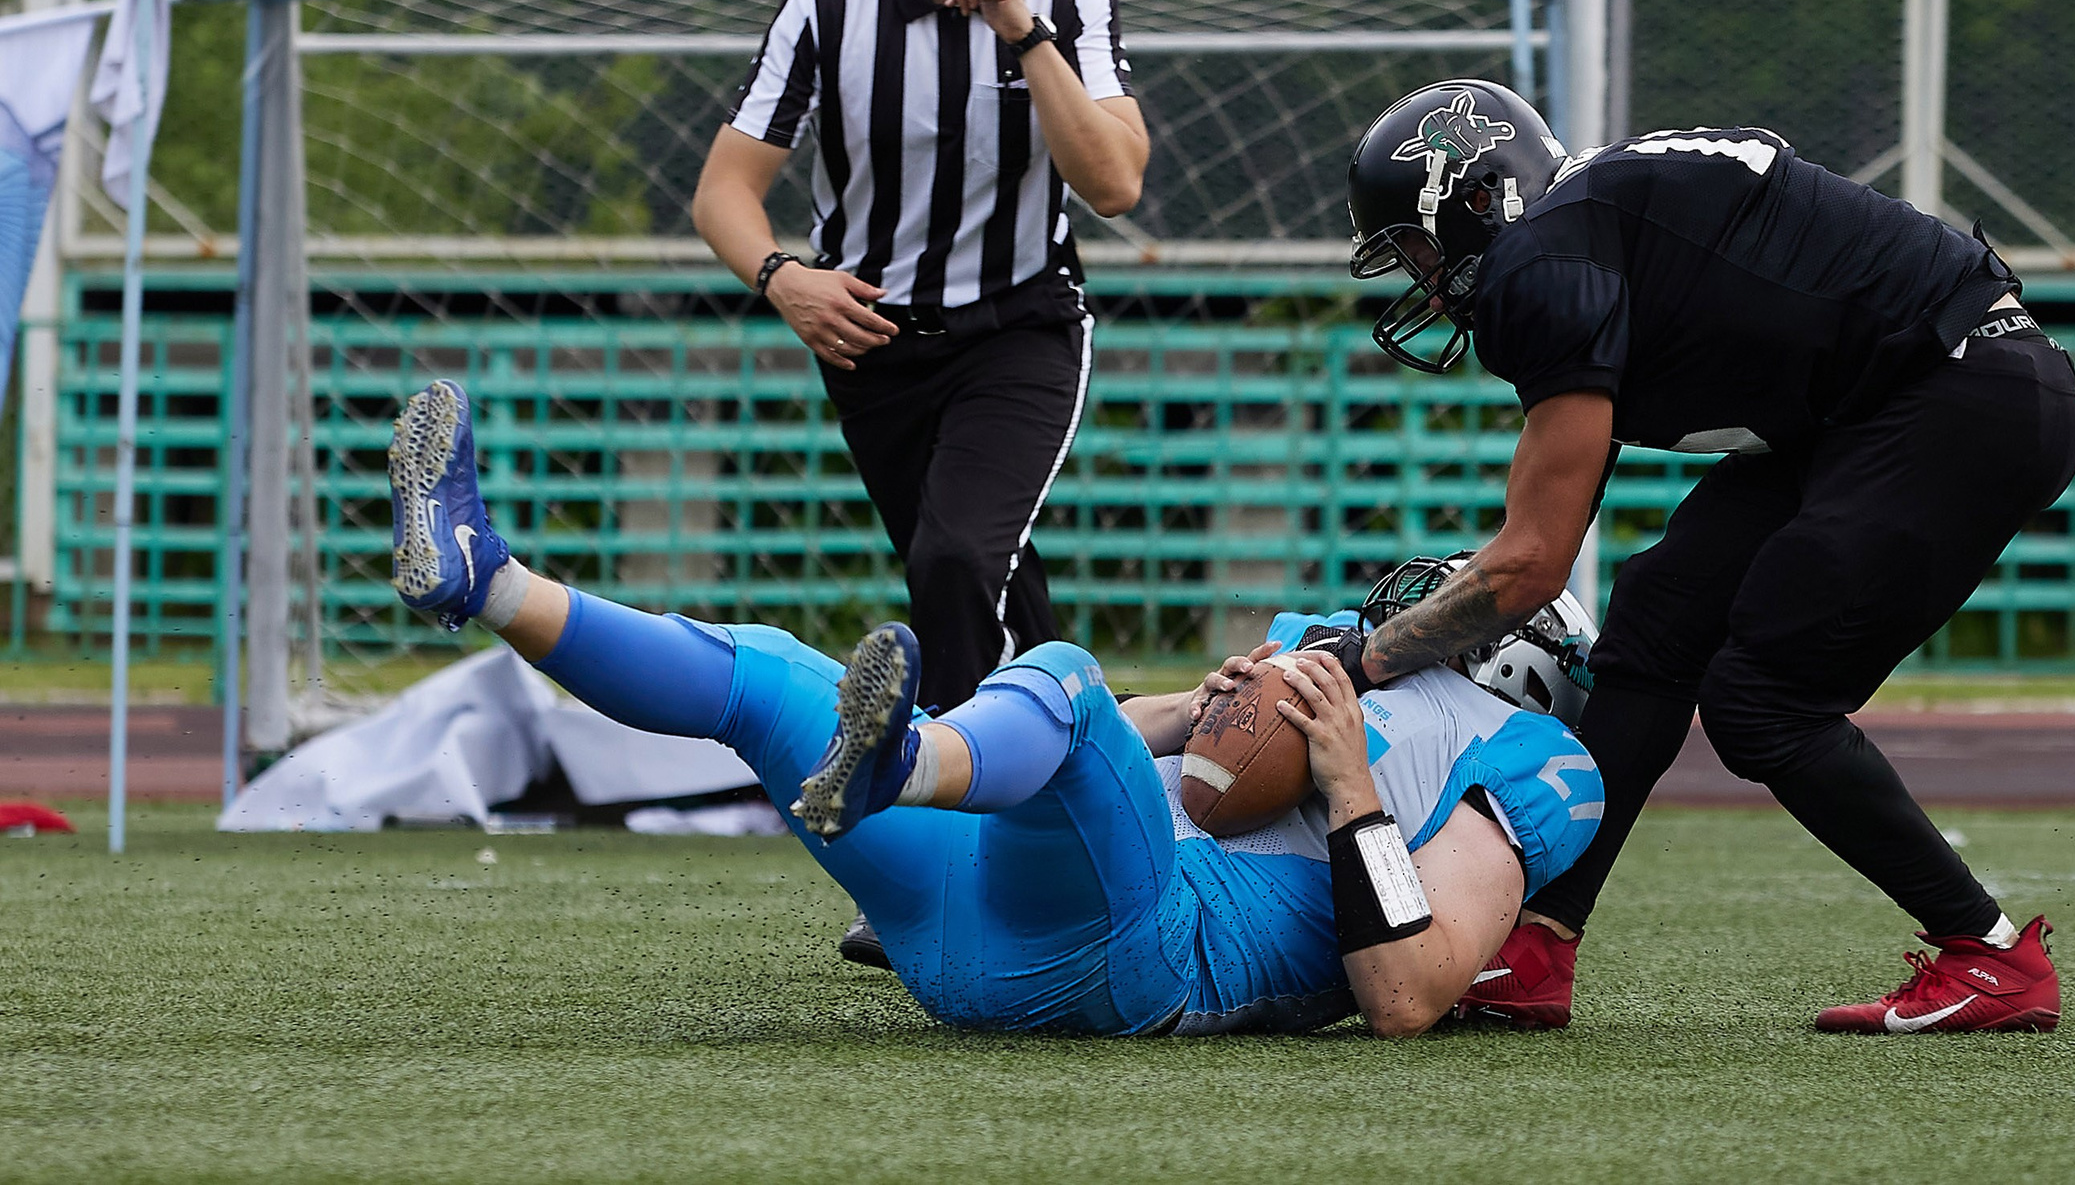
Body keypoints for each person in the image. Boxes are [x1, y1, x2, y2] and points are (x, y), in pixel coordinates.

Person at [385, 378, 1604, 1038]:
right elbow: (1115, 762)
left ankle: (904, 763)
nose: (1424, 600)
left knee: (1062, 679)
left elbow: (1405, 999)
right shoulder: (1326, 649)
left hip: (1147, 955)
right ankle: (486, 578)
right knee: (764, 672)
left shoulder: (1531, 757)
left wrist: (1349, 787)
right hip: (975, 925)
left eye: (1461, 599)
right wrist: (1192, 709)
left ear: (1519, 648)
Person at [1316, 81, 2075, 1035]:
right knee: (1656, 624)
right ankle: (1538, 941)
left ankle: (1989, 952)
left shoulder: (1544, 257)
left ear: (1481, 199)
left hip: (1955, 390)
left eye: (1422, 251)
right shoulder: (1584, 226)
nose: (1428, 285)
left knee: (1763, 699)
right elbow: (1547, 534)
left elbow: (1532, 566)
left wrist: (1368, 658)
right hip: (1888, 396)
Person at [692, 0, 1148, 717]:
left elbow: (1115, 184)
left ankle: (953, 774)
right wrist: (783, 278)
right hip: (872, 340)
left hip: (1020, 323)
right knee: (975, 578)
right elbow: (724, 190)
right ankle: (1080, 747)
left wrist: (1026, 35)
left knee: (958, 560)